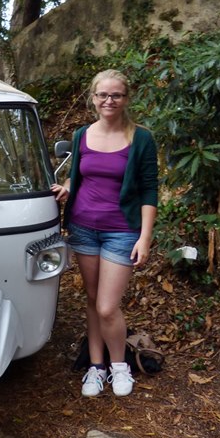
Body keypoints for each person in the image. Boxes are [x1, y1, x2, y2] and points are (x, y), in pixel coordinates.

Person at [51, 69, 158, 398]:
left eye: (116, 95)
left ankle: (119, 365)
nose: (109, 101)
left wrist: (145, 237)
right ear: (93, 98)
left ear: (126, 99)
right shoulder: (82, 134)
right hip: (83, 228)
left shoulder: (141, 138)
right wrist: (66, 187)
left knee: (108, 306)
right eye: (103, 95)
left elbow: (149, 191)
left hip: (122, 231)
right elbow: (82, 175)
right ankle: (95, 368)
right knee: (93, 301)